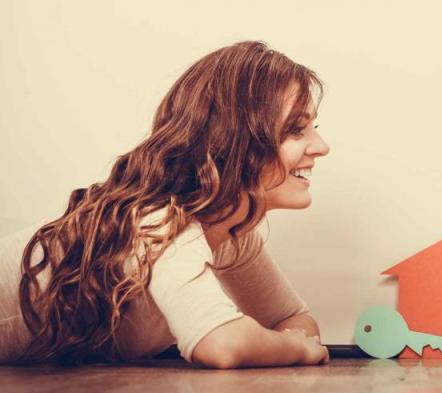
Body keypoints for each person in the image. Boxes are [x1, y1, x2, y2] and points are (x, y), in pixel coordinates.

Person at [0, 41, 331, 368]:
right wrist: (295, 347)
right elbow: (223, 343)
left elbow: (292, 318)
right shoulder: (164, 223)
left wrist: (289, 341)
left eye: (313, 128)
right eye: (296, 130)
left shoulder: (232, 233)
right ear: (234, 142)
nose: (321, 146)